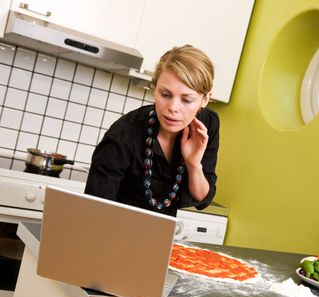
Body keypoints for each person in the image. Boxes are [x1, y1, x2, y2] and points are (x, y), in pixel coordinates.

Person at [85, 45, 219, 216]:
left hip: (162, 234)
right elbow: (94, 212)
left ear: (205, 99)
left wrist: (193, 164)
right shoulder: (123, 134)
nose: (172, 108)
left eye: (186, 100)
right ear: (155, 88)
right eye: (165, 94)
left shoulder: (207, 125)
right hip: (114, 230)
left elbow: (202, 198)